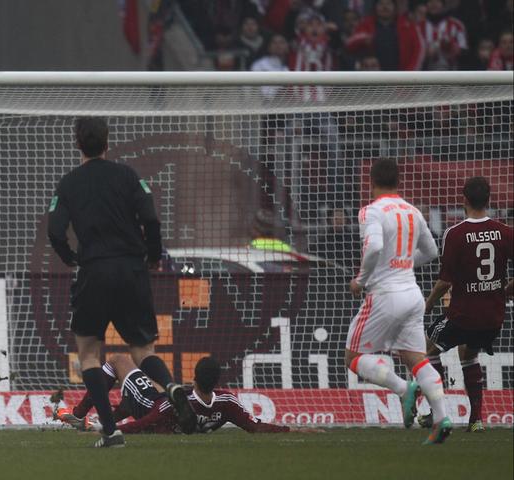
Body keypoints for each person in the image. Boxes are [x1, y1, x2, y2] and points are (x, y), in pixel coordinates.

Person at [47, 117, 195, 447]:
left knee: (88, 354)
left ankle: (110, 431)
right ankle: (170, 387)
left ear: (77, 144)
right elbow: (152, 219)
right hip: (131, 269)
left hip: (94, 270)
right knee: (143, 350)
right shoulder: (127, 176)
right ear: (108, 142)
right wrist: (154, 255)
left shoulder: (69, 183)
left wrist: (71, 257)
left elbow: (55, 231)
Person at [346, 158, 452, 445]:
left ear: (370, 182)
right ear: (398, 182)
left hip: (385, 295)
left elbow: (375, 247)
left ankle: (403, 389)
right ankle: (442, 416)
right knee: (416, 358)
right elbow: (431, 252)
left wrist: (362, 279)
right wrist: (402, 264)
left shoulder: (371, 211)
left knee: (353, 358)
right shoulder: (412, 211)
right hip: (413, 295)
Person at [421, 177, 513, 432]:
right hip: (493, 318)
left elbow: (443, 282)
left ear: (464, 200)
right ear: (489, 200)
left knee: (427, 351)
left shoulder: (455, 233)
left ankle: (436, 413)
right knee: (468, 355)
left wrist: (428, 305)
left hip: (462, 315)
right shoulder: (506, 232)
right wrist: (507, 290)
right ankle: (476, 420)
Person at [56, 355, 316, 434]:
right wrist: (292, 430)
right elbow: (252, 426)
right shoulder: (226, 402)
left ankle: (79, 416)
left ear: (194, 377)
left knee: (119, 361)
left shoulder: (183, 401)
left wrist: (112, 431)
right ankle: (98, 418)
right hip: (163, 419)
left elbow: (147, 420)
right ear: (217, 381)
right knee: (141, 399)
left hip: (150, 407)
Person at [346, 0, 424, 71]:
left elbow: (419, 50)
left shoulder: (408, 26)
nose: (385, 7)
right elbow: (349, 44)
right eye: (381, 3)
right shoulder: (366, 24)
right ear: (375, 7)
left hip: (400, 80)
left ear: (394, 7)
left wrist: (409, 76)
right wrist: (364, 39)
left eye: (388, 3)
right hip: (372, 79)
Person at [416, 0, 467, 71]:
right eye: (430, 1)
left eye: (437, 1)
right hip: (424, 74)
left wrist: (452, 48)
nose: (434, 4)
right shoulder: (418, 26)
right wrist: (425, 53)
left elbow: (464, 53)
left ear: (443, 4)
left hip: (451, 74)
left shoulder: (456, 25)